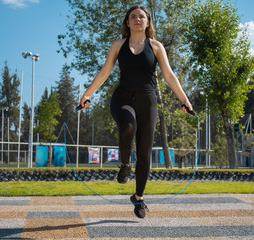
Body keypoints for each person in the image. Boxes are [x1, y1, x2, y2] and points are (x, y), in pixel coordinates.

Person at [79, 5, 193, 218]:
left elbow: (169, 75)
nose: (137, 19)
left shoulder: (156, 47)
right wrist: (87, 95)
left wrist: (184, 100)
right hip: (122, 98)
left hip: (147, 101)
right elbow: (104, 73)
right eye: (133, 16)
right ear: (127, 22)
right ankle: (124, 165)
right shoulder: (118, 45)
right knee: (128, 125)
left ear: (148, 22)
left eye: (142, 16)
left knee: (144, 152)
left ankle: (139, 198)